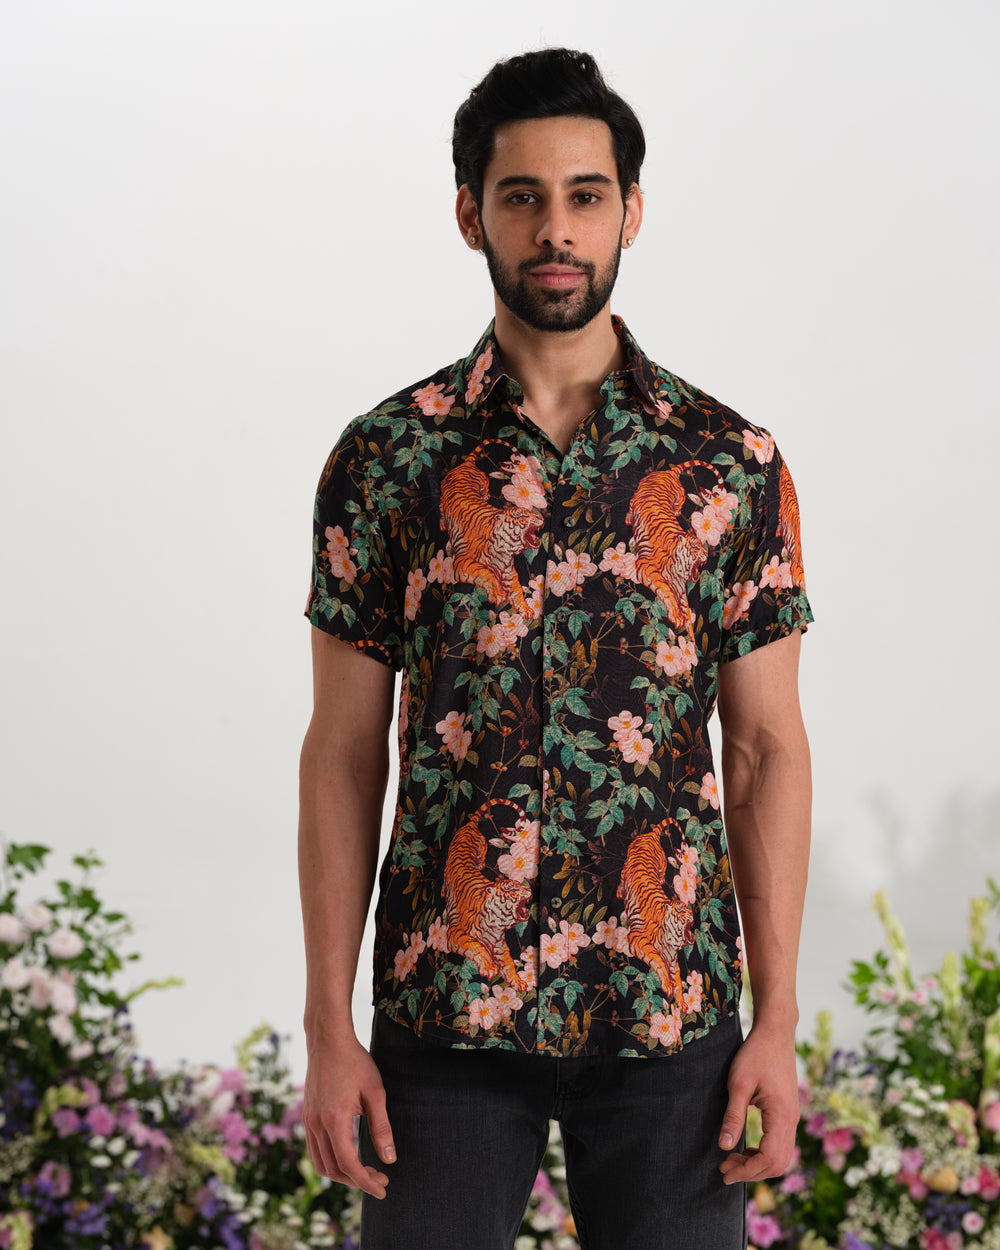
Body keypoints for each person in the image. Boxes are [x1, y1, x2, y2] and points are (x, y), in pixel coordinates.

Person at [298, 47, 812, 1250]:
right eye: (521, 196)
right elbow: (342, 750)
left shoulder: (728, 463)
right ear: (469, 212)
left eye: (585, 195)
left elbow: (766, 749)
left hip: (670, 1018)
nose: (555, 230)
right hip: (444, 1015)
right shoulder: (388, 457)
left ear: (631, 209)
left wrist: (778, 1018)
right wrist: (328, 1025)